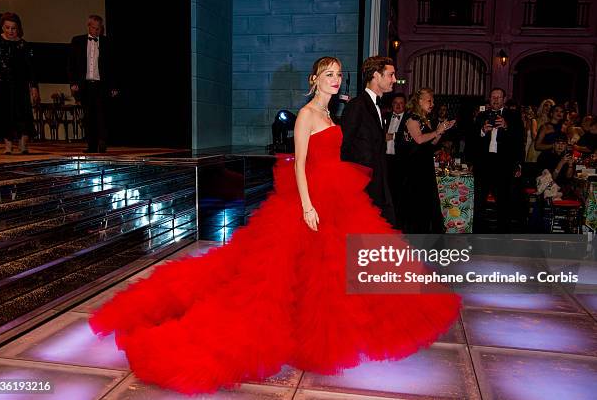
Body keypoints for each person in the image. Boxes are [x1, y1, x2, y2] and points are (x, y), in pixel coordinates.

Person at [88, 56, 461, 395]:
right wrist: (308, 206)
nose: (335, 80)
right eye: (328, 75)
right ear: (314, 79)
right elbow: (298, 164)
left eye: (339, 75)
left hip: (338, 196)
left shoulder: (331, 115)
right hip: (310, 199)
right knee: (281, 277)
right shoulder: (307, 115)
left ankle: (326, 328)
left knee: (331, 269)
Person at [341, 56, 397, 227]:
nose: (394, 80)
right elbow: (344, 147)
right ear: (375, 75)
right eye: (390, 75)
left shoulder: (378, 107)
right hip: (362, 188)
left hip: (378, 184)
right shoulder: (357, 106)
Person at [395, 88, 452, 233]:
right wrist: (437, 131)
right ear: (419, 102)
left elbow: (432, 143)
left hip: (425, 166)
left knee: (429, 203)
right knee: (416, 204)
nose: (432, 104)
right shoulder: (412, 118)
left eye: (432, 100)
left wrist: (442, 130)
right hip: (414, 169)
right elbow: (419, 140)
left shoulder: (426, 119)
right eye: (429, 100)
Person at [0, 12, 39, 154]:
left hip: (20, 85)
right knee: (5, 115)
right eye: (7, 28)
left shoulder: (24, 45)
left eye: (13, 28)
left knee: (23, 114)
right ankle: (8, 147)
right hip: (1, 84)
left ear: (18, 28)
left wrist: (33, 87)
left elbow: (31, 69)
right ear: (2, 27)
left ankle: (23, 146)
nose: (10, 31)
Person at [472, 88, 524, 233]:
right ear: (489, 98)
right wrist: (482, 131)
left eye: (498, 97)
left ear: (504, 99)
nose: (495, 100)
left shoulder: (513, 116)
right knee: (479, 202)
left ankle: (503, 236)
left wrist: (507, 127)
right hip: (484, 165)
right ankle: (478, 234)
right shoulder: (481, 116)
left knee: (504, 202)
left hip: (504, 165)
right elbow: (471, 140)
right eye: (493, 97)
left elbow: (519, 141)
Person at [68, 15, 117, 153]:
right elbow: (71, 64)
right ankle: (91, 145)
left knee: (102, 115)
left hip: (101, 85)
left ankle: (102, 142)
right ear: (88, 26)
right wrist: (73, 83)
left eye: (99, 28)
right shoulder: (77, 41)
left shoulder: (107, 42)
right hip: (85, 85)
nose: (96, 31)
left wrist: (113, 86)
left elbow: (113, 66)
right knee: (88, 116)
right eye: (94, 28)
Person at [384, 93, 406, 221]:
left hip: (400, 160)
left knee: (399, 191)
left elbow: (410, 137)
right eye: (395, 103)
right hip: (386, 158)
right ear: (392, 105)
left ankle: (398, 218)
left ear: (405, 105)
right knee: (387, 190)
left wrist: (393, 136)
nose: (398, 106)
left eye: (401, 103)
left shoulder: (409, 119)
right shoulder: (385, 117)